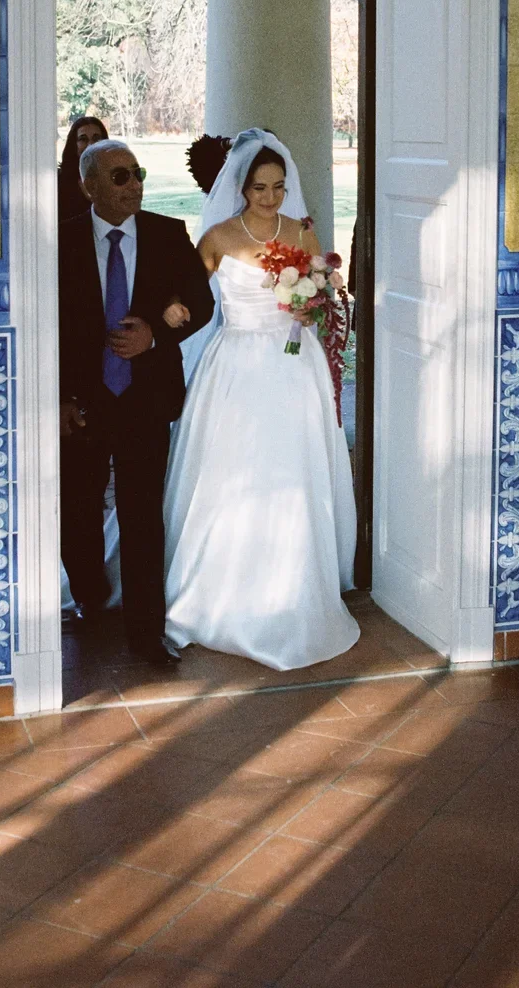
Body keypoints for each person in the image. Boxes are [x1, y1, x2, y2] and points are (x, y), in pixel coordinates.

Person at [162, 129, 360, 670]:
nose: (271, 197)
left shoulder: (302, 232)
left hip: (294, 364)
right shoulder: (218, 238)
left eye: (278, 187)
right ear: (241, 188)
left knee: (292, 469)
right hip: (235, 366)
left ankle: (296, 587)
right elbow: (186, 291)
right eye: (260, 188)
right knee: (232, 471)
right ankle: (218, 593)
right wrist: (170, 308)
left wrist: (310, 303)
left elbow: (323, 293)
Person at [59, 138, 214, 665]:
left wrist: (155, 334)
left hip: (145, 399)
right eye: (120, 176)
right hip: (83, 403)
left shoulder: (168, 235)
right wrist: (60, 398)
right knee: (78, 511)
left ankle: (147, 635)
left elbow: (201, 302)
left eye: (138, 173)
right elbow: (48, 326)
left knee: (143, 516)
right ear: (90, 187)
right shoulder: (61, 241)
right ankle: (89, 594)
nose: (134, 185)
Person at [57, 116, 110, 627]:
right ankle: (88, 595)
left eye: (97, 139)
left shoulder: (157, 230)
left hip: (132, 387)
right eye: (82, 139)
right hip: (80, 386)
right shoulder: (59, 226)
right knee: (80, 499)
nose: (88, 144)